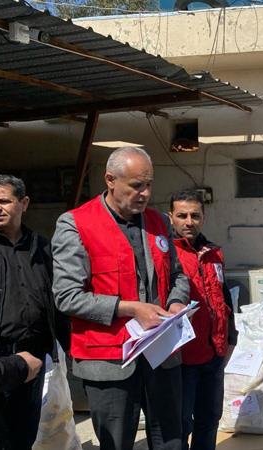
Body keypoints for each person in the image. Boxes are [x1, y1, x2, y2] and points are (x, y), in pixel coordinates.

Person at [52, 147, 190, 450]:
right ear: (110, 180)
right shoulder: (76, 224)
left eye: (149, 184)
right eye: (136, 185)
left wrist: (176, 303)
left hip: (160, 355)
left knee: (172, 440)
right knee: (116, 443)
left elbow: (178, 275)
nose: (145, 193)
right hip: (108, 360)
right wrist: (130, 309)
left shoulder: (158, 222)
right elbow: (66, 297)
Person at [0, 174, 69, 449]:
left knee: (23, 434)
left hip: (34, 356)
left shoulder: (43, 246)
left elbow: (58, 301)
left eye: (3, 201)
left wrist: (64, 347)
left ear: (24, 203)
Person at [169, 190, 238, 450]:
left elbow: (224, 297)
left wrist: (231, 337)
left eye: (195, 216)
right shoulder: (167, 254)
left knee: (209, 420)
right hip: (183, 357)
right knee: (180, 424)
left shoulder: (214, 253)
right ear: (171, 217)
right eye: (182, 215)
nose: (189, 222)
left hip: (214, 353)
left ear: (203, 217)